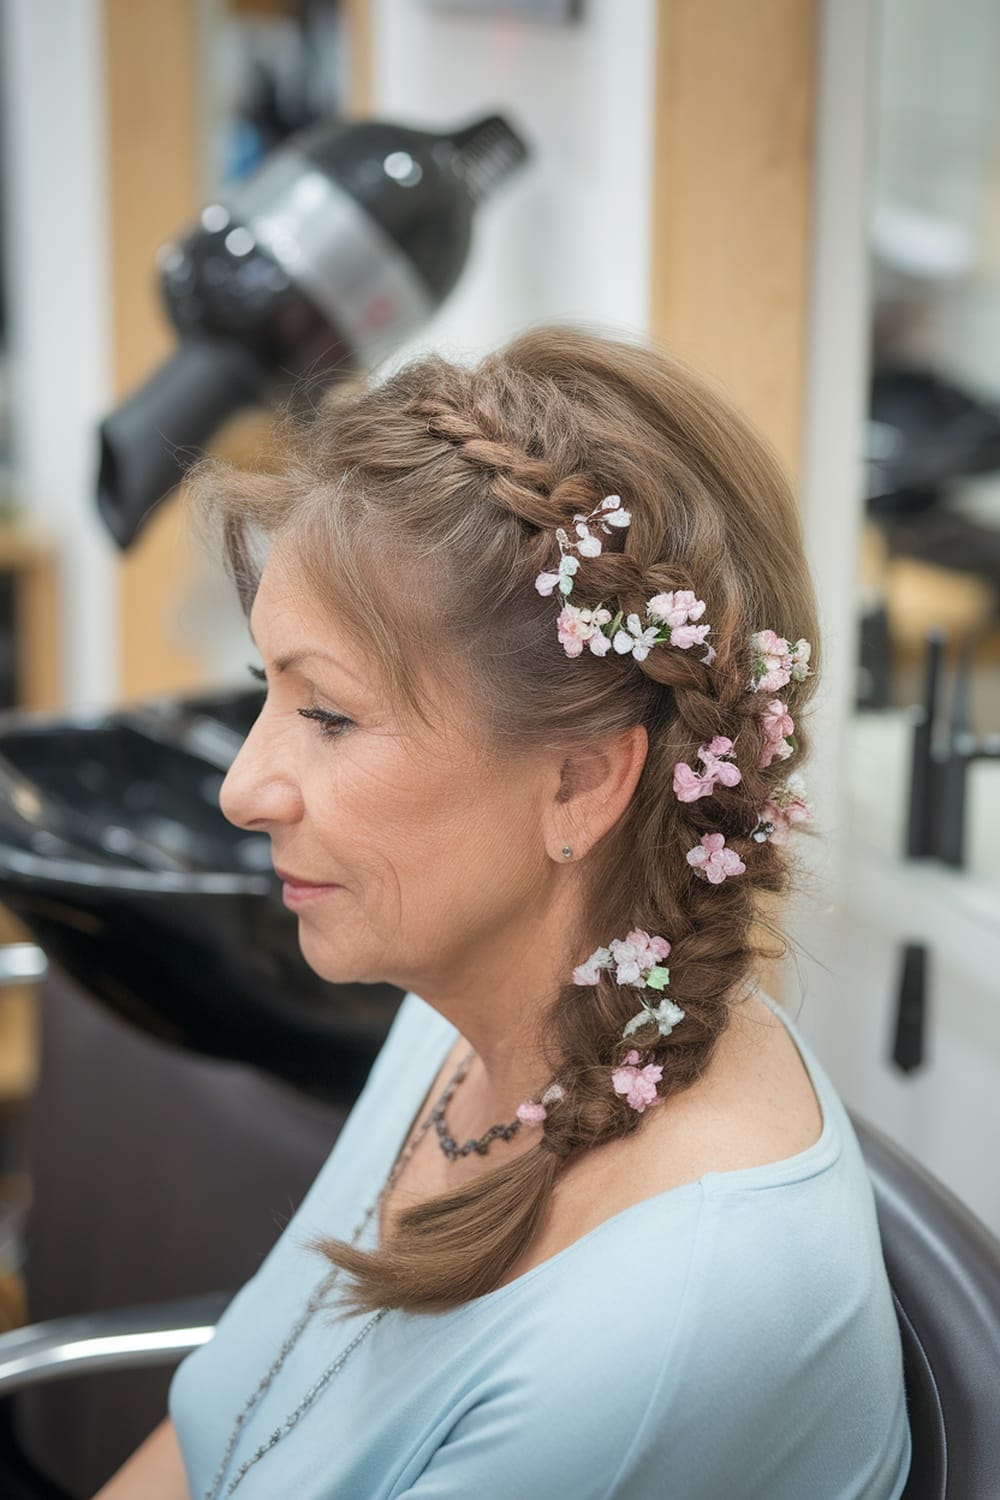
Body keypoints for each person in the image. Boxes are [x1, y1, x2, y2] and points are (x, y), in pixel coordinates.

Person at [95, 325, 912, 1499]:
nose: (242, 788)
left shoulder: (669, 1324)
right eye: (263, 691)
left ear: (582, 780)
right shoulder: (469, 1013)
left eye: (327, 714)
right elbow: (226, 1428)